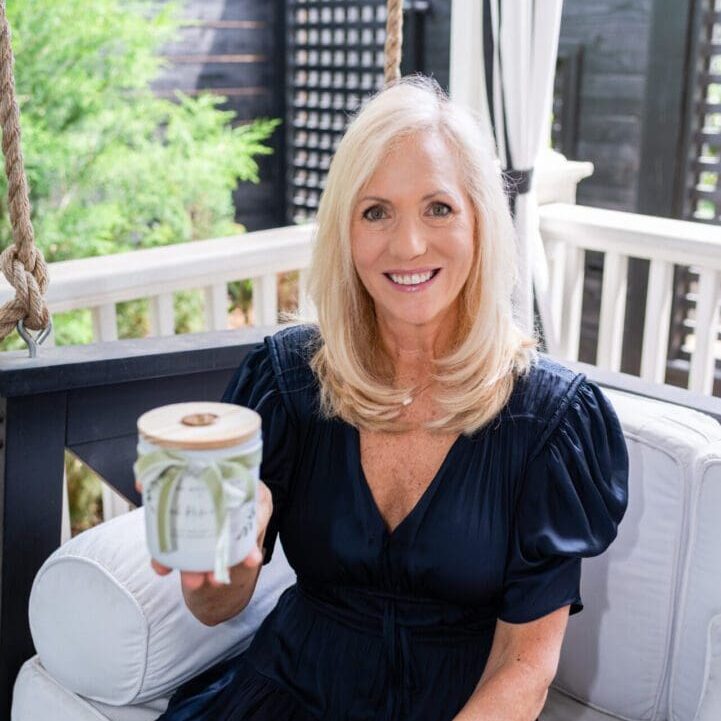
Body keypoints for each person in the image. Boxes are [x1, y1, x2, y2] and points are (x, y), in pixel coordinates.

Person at [152, 74, 629, 721]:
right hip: (281, 695)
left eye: (437, 207)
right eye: (375, 211)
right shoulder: (289, 379)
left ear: (480, 222)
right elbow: (214, 605)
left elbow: (524, 662)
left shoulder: (550, 419)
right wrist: (221, 554)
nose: (406, 244)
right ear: (345, 233)